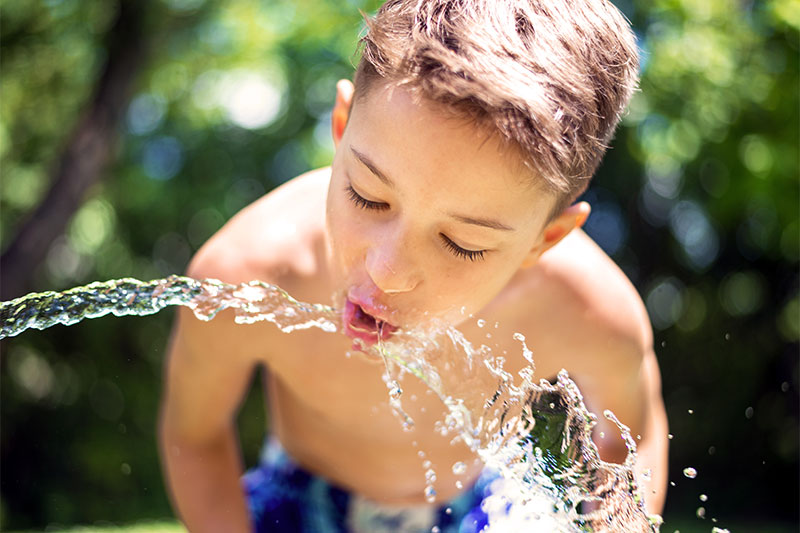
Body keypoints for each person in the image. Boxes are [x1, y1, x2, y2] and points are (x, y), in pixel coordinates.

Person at [158, 0, 669, 531]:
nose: (387, 271)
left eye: (462, 243)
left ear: (546, 239)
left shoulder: (588, 312)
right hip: (303, 493)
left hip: (478, 501)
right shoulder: (248, 275)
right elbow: (194, 435)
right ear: (341, 127)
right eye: (368, 196)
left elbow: (629, 440)